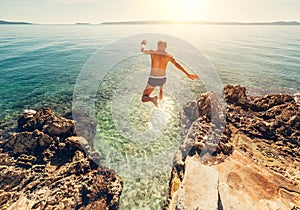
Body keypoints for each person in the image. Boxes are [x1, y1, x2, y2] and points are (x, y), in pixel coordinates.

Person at [141, 39, 199, 107]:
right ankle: (161, 94)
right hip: (162, 79)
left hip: (153, 79)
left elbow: (143, 51)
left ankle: (153, 99)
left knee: (144, 98)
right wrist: (187, 74)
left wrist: (143, 45)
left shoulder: (153, 52)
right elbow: (177, 65)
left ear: (158, 46)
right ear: (165, 47)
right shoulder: (168, 56)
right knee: (161, 82)